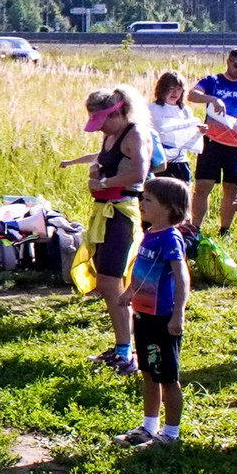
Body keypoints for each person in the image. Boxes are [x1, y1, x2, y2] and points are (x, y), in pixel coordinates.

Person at [114, 176, 193, 447]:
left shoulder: (171, 239)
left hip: (162, 319)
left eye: (148, 199)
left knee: (168, 377)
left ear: (169, 207)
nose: (141, 202)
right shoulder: (151, 234)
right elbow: (142, 270)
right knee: (148, 372)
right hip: (143, 316)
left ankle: (170, 434)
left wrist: (178, 314)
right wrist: (129, 293)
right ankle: (149, 427)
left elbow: (181, 277)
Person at [76, 86, 149, 375]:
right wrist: (96, 173)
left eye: (102, 121)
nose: (99, 128)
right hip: (104, 212)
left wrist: (106, 183)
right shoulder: (110, 134)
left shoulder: (135, 133)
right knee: (107, 283)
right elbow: (106, 163)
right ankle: (122, 347)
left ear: (117, 112)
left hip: (122, 213)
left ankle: (126, 353)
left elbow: (139, 173)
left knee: (110, 282)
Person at [186, 48, 237, 238]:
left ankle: (225, 229)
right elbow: (192, 94)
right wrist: (212, 99)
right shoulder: (213, 81)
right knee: (203, 185)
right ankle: (195, 228)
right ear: (228, 61)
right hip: (212, 141)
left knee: (232, 188)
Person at [144, 70, 202, 180]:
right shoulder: (152, 108)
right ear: (162, 89)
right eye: (171, 89)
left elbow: (190, 138)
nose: (175, 93)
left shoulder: (185, 110)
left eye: (178, 89)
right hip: (159, 162)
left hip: (180, 161)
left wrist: (199, 133)